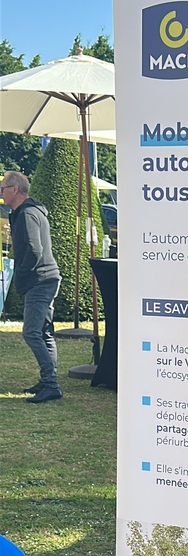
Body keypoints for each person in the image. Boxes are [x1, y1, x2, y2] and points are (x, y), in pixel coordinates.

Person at [1, 172, 63, 403]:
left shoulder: (27, 213)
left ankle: (51, 384)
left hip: (40, 279)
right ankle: (47, 381)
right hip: (46, 277)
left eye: (2, 189)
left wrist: (22, 274)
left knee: (31, 332)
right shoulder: (30, 211)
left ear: (15, 189)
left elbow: (34, 250)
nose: (1, 193)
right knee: (43, 332)